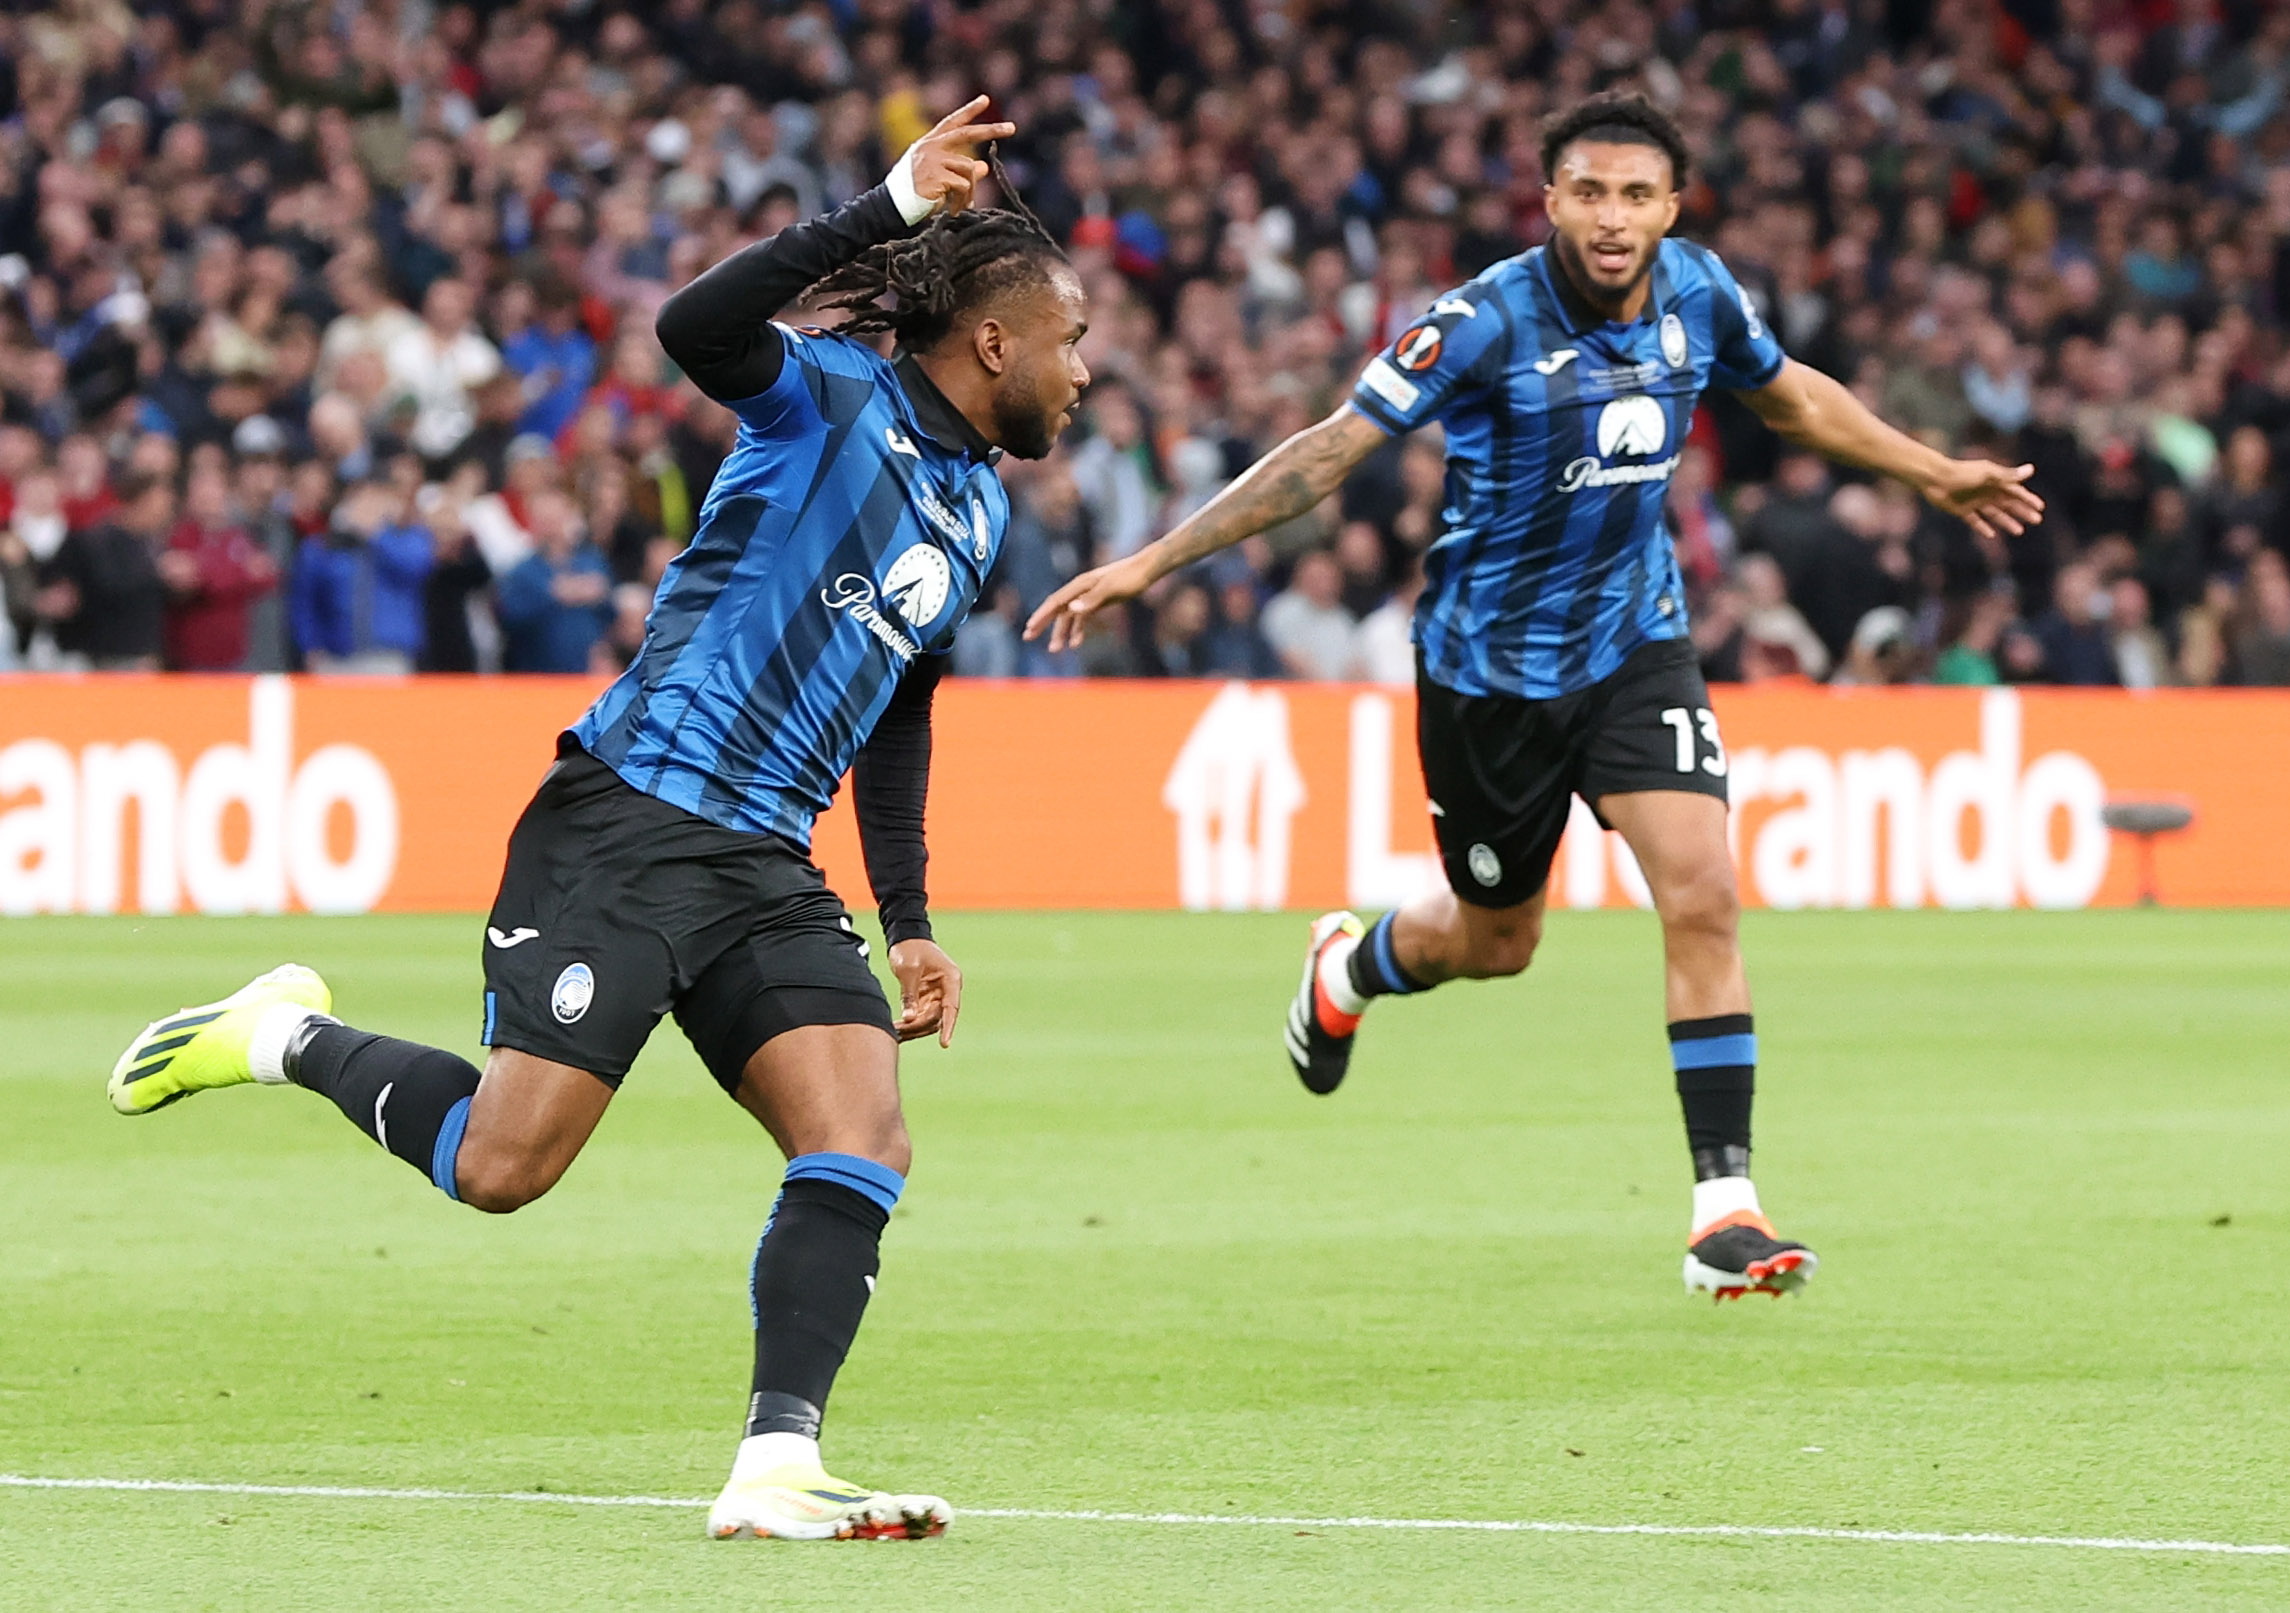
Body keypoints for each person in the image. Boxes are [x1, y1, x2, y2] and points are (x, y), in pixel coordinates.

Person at [105, 100, 1086, 1545]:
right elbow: (694, 326)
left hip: (764, 862)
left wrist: (912, 918)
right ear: (994, 341)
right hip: (628, 820)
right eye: (1068, 344)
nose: (1082, 374)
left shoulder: (976, 515)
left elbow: (898, 713)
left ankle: (775, 1467)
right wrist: (882, 202)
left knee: (863, 1133)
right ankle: (279, 1035)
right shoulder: (823, 400)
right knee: (503, 1169)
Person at [1030, 91, 2042, 1301]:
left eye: (1637, 195)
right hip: (1489, 677)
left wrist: (1933, 473)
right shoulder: (1480, 322)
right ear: (1550, 200)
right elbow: (1327, 451)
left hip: (1635, 642)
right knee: (1496, 941)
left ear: (1672, 205)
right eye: (1589, 192)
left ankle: (1724, 1207)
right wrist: (1153, 558)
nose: (1613, 218)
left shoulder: (1702, 293)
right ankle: (1347, 969)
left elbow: (1791, 397)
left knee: (1704, 889)